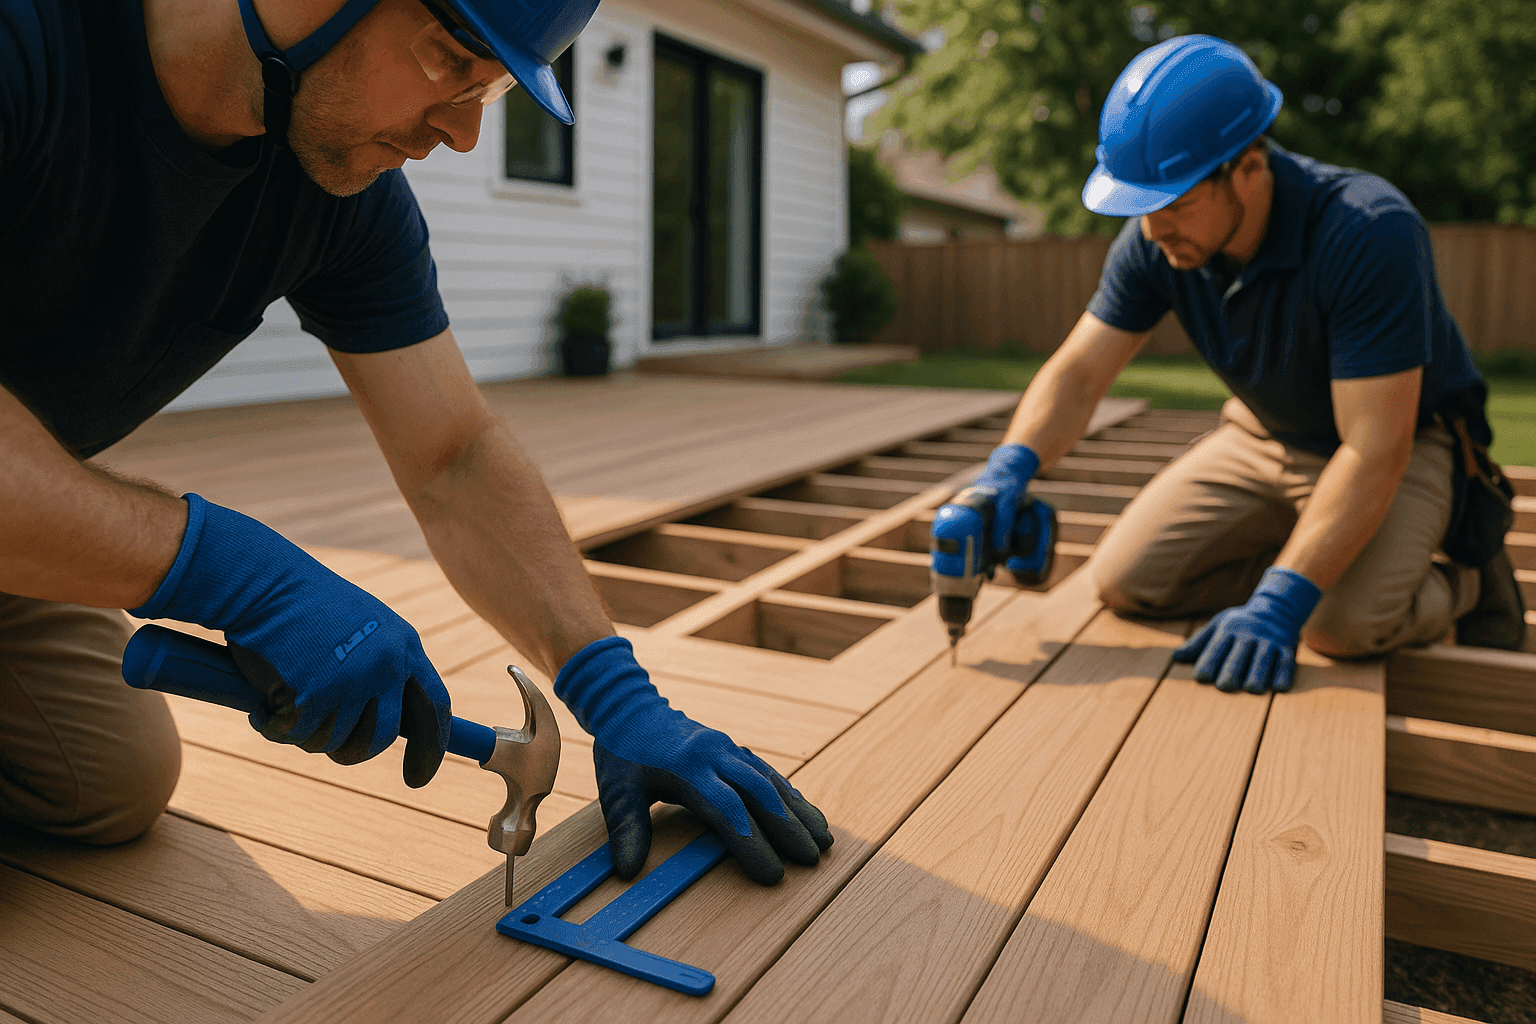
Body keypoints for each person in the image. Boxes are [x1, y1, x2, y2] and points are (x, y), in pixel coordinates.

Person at [0, 0, 832, 883]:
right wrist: (234, 576)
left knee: (111, 778)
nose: (468, 132)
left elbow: (453, 454)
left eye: (496, 86)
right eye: (452, 58)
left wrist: (615, 695)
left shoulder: (334, 194)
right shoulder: (29, 43)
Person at [970, 34, 1524, 694]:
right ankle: (1313, 556)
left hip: (1400, 445)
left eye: (1173, 203)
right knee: (1127, 583)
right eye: (1142, 208)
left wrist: (1281, 603)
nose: (1151, 230)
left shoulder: (1367, 229)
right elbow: (1080, 373)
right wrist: (1010, 467)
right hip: (1264, 435)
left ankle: (1460, 581)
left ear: (1250, 167)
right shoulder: (1160, 238)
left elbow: (1376, 448)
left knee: (1336, 627)